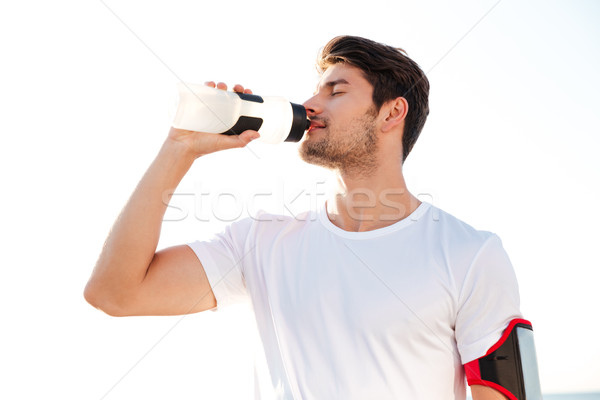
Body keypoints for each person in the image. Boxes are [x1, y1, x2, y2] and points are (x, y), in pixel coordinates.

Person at [84, 36, 531, 399]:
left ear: (392, 112)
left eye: (336, 91)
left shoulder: (470, 255)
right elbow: (114, 293)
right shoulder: (260, 242)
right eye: (315, 91)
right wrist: (178, 148)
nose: (311, 104)